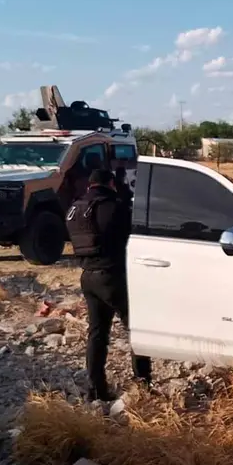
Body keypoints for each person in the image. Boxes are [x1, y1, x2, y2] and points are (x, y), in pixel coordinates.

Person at [66, 168, 152, 401]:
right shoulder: (115, 207)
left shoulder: (76, 208)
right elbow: (132, 236)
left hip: (88, 277)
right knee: (136, 329)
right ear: (111, 183)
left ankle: (96, 390)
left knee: (97, 334)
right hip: (113, 276)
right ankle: (143, 384)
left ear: (90, 185)